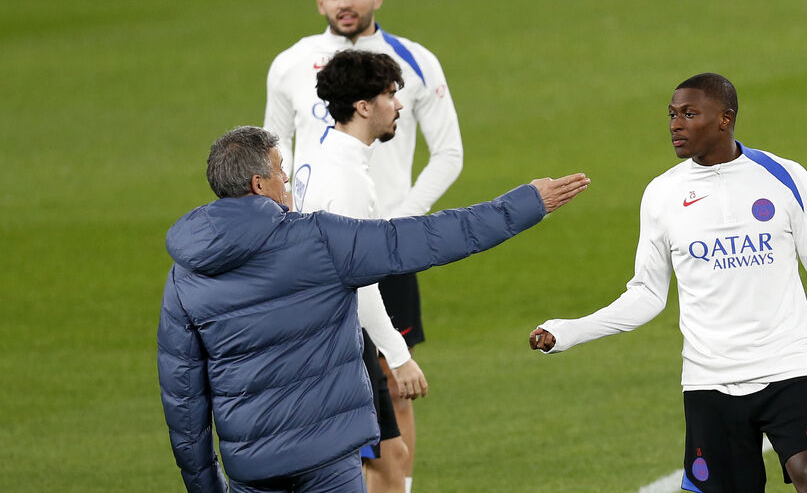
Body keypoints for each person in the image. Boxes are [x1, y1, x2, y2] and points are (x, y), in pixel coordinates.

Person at [158, 125, 589, 493]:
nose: (288, 186)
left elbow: (183, 399)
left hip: (250, 469)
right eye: (282, 177)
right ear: (258, 185)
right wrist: (526, 204)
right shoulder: (319, 240)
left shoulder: (184, 276)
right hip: (328, 460)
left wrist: (206, 486)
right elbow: (427, 238)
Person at [530, 73, 807, 493]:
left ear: (725, 119)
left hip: (790, 368)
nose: (675, 124)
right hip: (710, 381)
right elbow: (647, 295)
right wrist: (567, 331)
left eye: (689, 114)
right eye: (672, 115)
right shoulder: (662, 194)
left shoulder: (787, 178)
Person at [263, 0, 462, 487]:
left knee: (390, 392)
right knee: (358, 393)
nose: (344, 3)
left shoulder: (415, 60)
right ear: (319, 2)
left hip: (381, 244)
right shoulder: (291, 64)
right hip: (342, 247)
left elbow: (449, 153)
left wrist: (401, 224)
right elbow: (271, 151)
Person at [291, 49, 419, 492]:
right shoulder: (347, 179)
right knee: (385, 461)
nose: (399, 105)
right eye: (390, 94)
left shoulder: (315, 151)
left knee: (380, 458)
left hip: (318, 336)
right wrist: (399, 359)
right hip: (336, 342)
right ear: (364, 107)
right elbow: (359, 283)